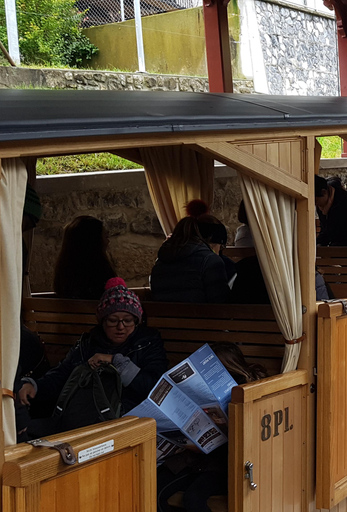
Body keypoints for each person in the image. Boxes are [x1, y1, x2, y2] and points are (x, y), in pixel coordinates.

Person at [18, 278, 167, 435]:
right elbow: (62, 375)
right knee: (25, 433)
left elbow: (155, 388)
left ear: (137, 321)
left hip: (125, 420)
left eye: (128, 321)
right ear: (102, 321)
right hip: (82, 416)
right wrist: (34, 386)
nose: (120, 327)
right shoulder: (88, 344)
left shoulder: (147, 343)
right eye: (112, 320)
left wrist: (116, 362)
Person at [157, 343, 265, 512]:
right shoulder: (200, 390)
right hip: (194, 458)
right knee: (153, 488)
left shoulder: (247, 389)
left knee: (193, 498)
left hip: (222, 463)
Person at [150, 201, 231, 303]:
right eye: (221, 246)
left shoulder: (161, 261)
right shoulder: (211, 261)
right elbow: (220, 302)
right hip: (202, 318)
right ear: (213, 243)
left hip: (162, 318)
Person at [53, 215, 117, 300]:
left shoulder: (64, 276)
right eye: (105, 236)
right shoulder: (102, 275)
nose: (108, 241)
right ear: (95, 242)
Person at [315, 175, 347, 246]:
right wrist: (318, 244)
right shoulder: (322, 206)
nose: (315, 204)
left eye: (316, 200)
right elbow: (325, 232)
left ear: (324, 192)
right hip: (336, 249)